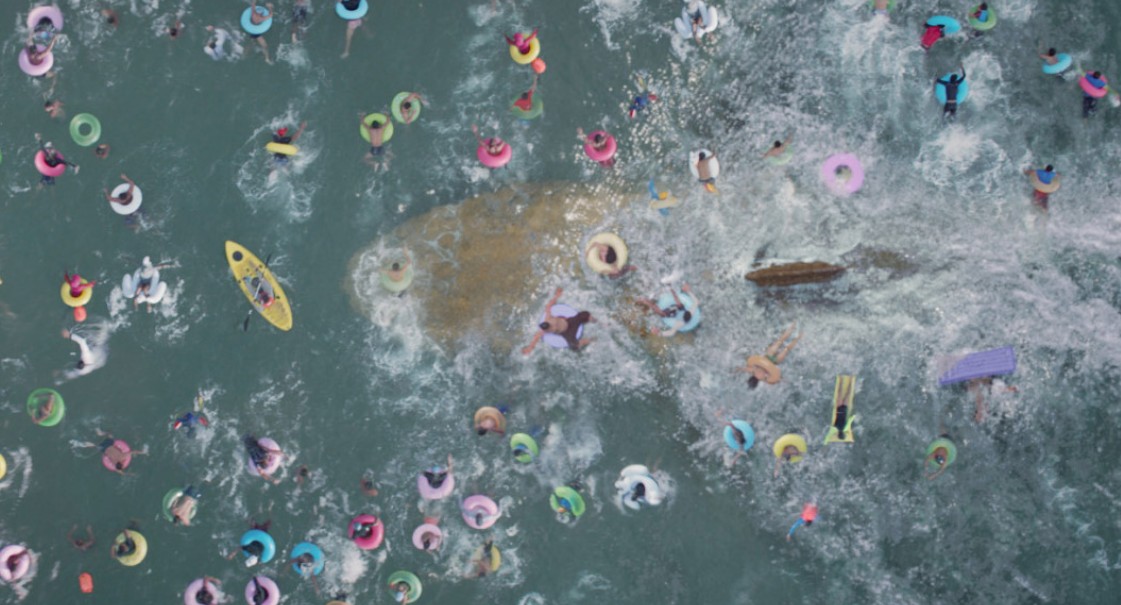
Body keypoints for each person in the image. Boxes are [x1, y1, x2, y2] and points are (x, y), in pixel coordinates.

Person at [522, 287, 594, 354]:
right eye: (547, 328)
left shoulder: (548, 318)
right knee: (574, 346)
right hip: (567, 333)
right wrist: (529, 348)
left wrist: (557, 295)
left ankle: (597, 321)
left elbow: (549, 306)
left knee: (585, 314)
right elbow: (535, 339)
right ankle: (591, 340)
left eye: (548, 325)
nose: (549, 327)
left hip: (569, 321)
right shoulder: (544, 331)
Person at [735, 322, 801, 388]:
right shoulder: (753, 371)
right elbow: (742, 368)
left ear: (757, 383)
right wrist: (736, 370)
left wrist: (784, 381)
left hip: (775, 362)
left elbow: (777, 379)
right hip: (768, 355)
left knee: (787, 349)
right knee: (780, 341)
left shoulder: (765, 379)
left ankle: (800, 336)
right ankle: (793, 326)